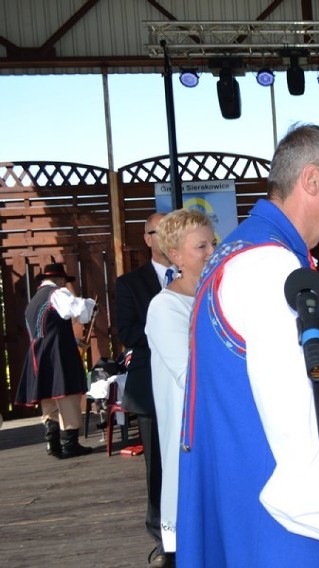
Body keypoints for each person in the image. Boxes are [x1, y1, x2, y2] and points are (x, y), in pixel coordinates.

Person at [176, 124, 319, 567]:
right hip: (289, 530)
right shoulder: (269, 268)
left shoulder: (245, 252)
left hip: (251, 510)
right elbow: (302, 424)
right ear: (312, 181)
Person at [145, 209, 216, 563]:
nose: (210, 251)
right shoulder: (165, 308)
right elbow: (192, 377)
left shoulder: (219, 299)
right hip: (190, 438)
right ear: (176, 256)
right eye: (200, 245)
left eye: (213, 243)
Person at [115, 211, 174, 568]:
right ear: (148, 238)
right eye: (158, 231)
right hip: (151, 387)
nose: (165, 236)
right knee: (158, 466)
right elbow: (127, 332)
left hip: (192, 389)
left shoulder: (194, 278)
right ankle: (163, 540)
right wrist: (168, 335)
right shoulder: (129, 284)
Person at [15, 262, 96, 459]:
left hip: (39, 354)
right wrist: (90, 305)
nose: (64, 285)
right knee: (67, 395)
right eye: (63, 281)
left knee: (48, 397)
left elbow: (49, 329)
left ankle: (52, 444)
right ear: (58, 280)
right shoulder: (56, 293)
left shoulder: (33, 302)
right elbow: (76, 310)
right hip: (57, 353)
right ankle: (70, 444)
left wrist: (74, 340)